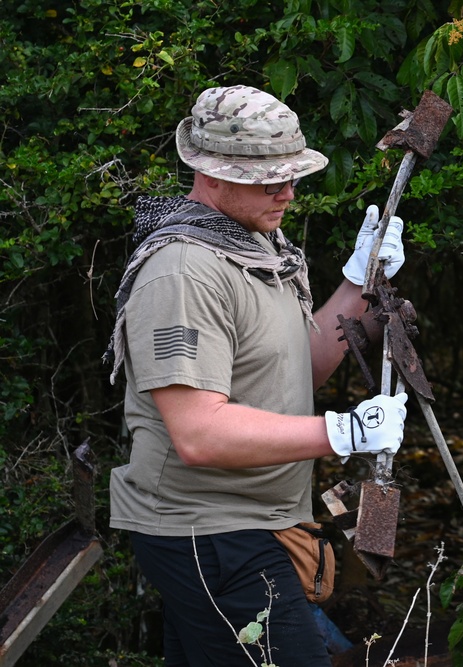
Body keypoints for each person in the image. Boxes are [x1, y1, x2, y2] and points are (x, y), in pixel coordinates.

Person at [104, 84, 408, 666]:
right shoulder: (185, 271)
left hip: (252, 525)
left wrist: (357, 284)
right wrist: (342, 433)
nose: (289, 193)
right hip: (208, 533)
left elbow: (298, 370)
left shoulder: (257, 247)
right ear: (212, 174)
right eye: (270, 180)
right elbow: (199, 434)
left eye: (292, 177)